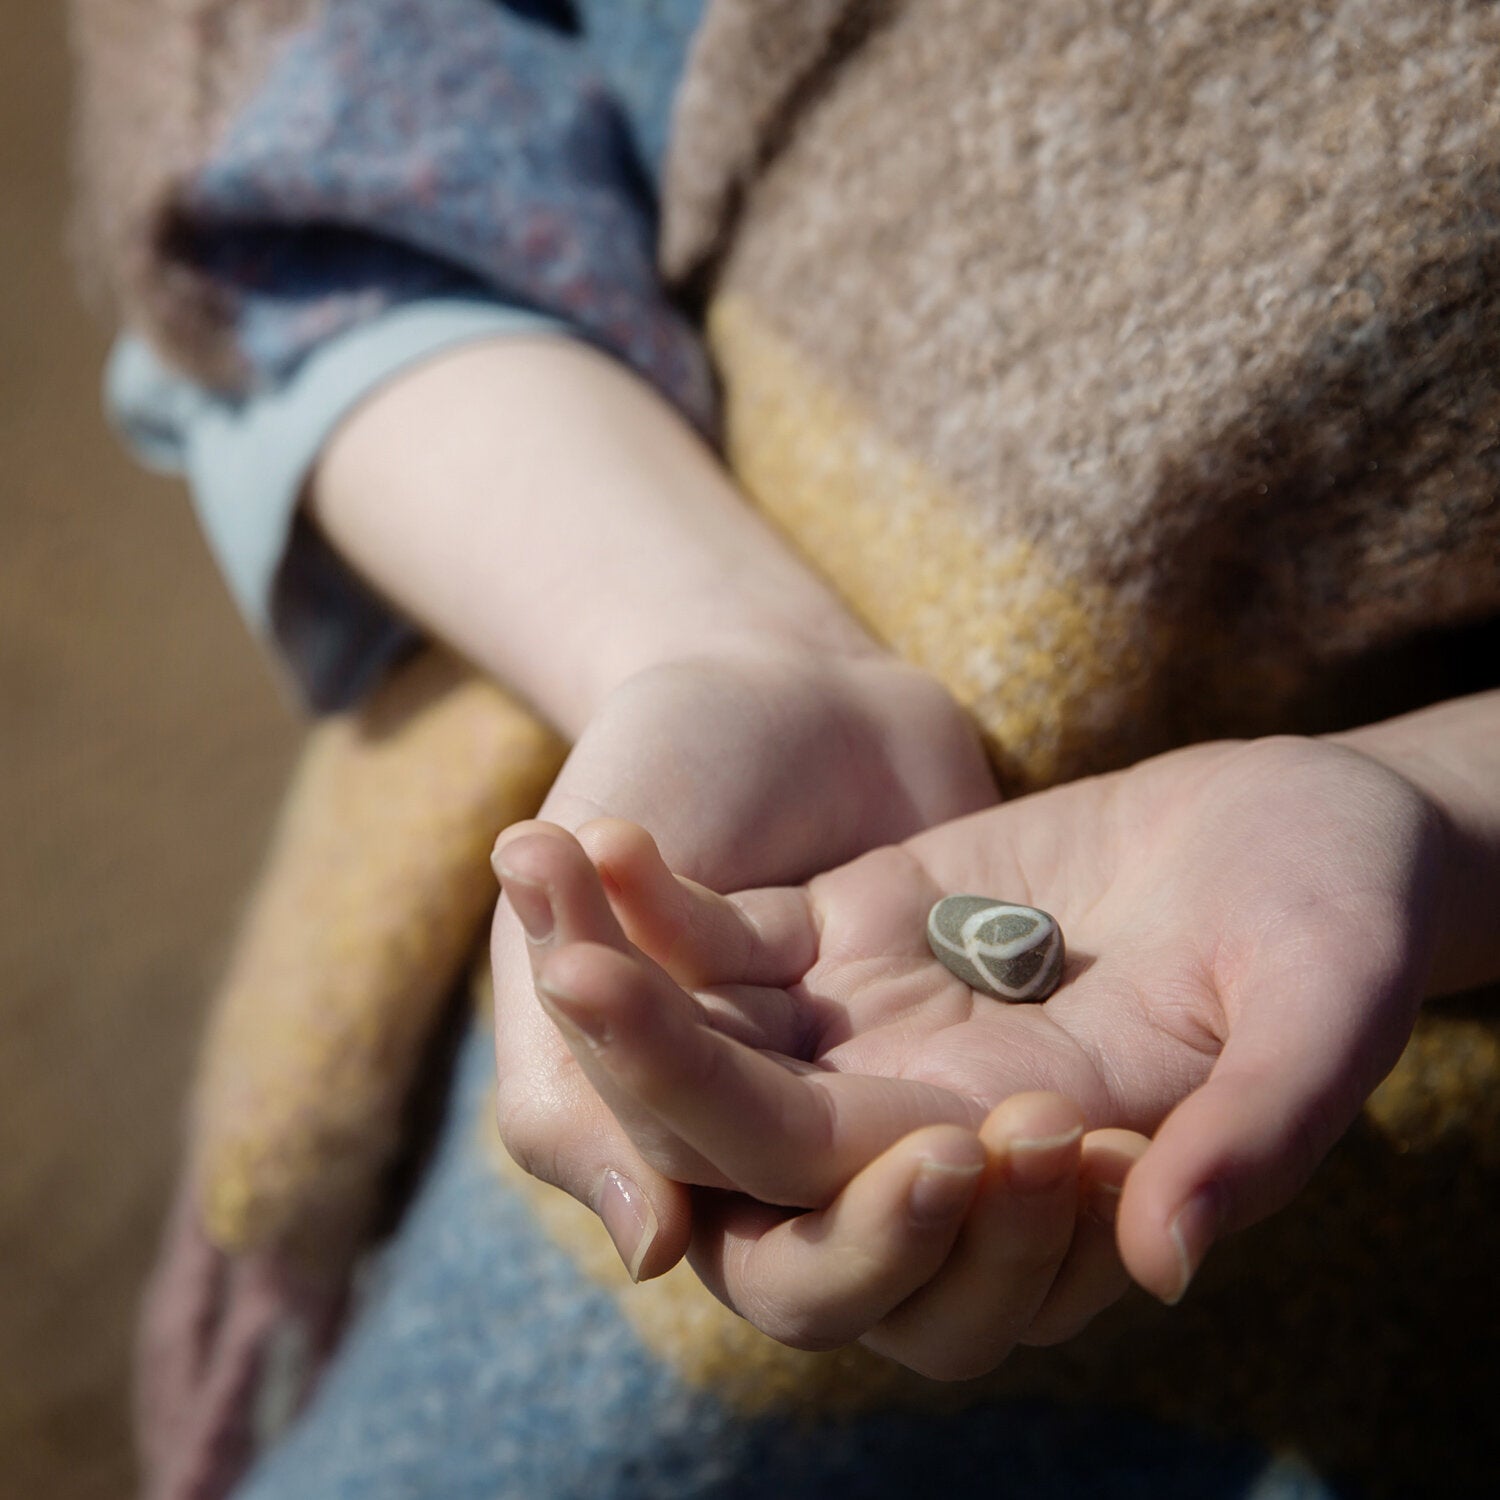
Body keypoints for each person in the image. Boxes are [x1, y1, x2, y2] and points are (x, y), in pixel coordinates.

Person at [72, 0, 1500, 1495]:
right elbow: (293, 135)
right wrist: (709, 632)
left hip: (1369, 1284)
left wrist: (1434, 814)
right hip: (551, 799)